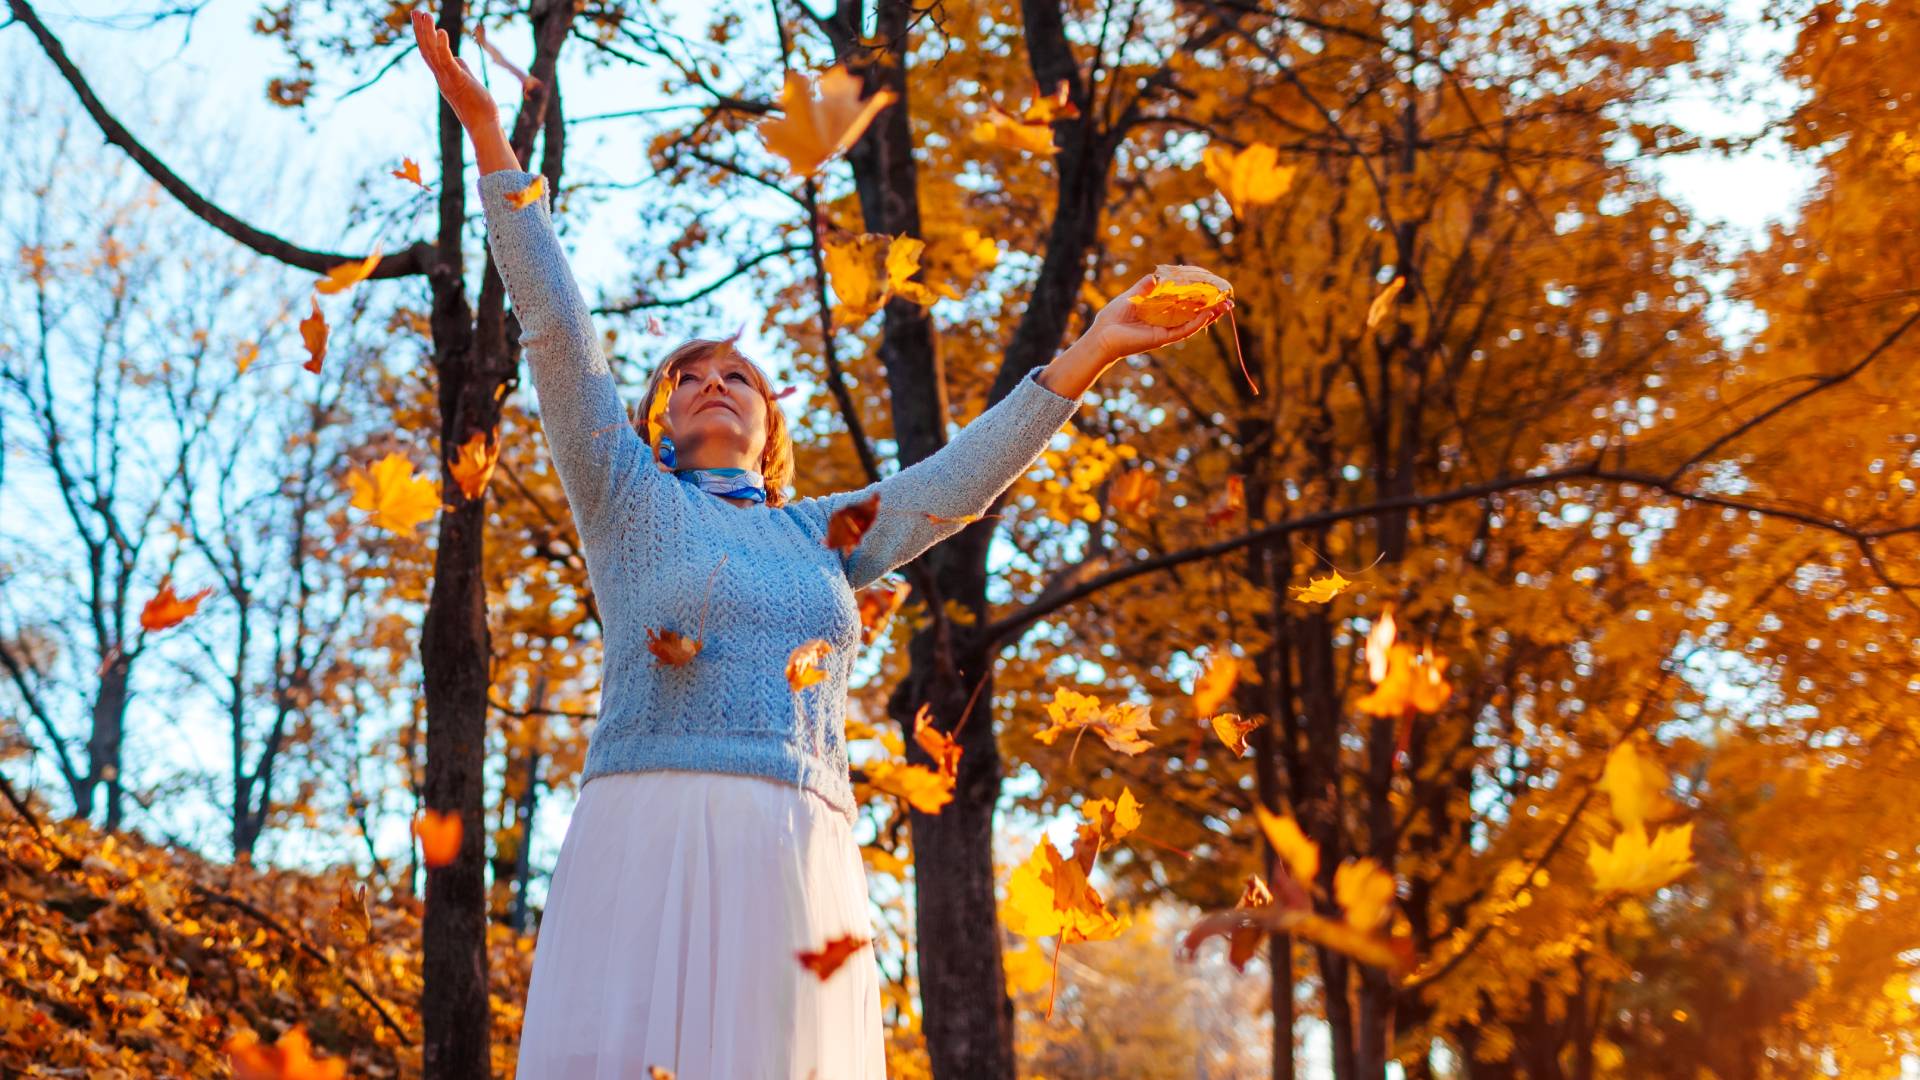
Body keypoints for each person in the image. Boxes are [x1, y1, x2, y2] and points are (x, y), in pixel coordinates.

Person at [410, 10, 1232, 1078]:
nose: (711, 382)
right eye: (688, 377)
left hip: (795, 848)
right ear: (657, 421)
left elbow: (956, 487)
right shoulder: (625, 497)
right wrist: (489, 136)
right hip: (648, 827)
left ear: (770, 429)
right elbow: (560, 331)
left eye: (737, 376)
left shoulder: (822, 533)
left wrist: (1095, 349)